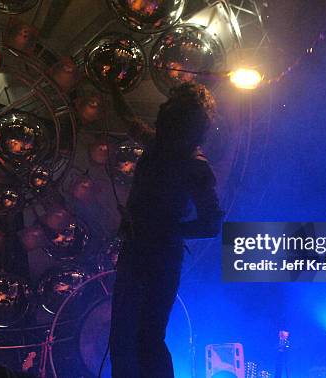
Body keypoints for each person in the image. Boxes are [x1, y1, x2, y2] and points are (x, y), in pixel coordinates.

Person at [107, 81, 224, 378]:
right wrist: (113, 90)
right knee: (126, 338)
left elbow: (212, 222)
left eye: (168, 106)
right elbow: (132, 123)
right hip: (139, 251)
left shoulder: (193, 164)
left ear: (181, 119)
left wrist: (168, 229)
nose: (160, 108)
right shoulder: (161, 145)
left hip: (159, 259)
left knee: (144, 339)